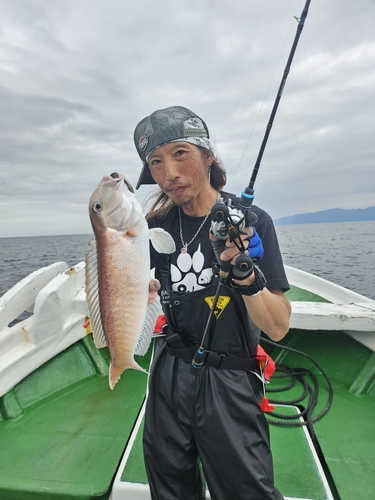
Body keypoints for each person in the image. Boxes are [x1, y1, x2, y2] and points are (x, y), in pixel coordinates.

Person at [133, 105, 291, 500]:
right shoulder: (153, 229)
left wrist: (244, 272)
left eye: (180, 153)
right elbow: (128, 285)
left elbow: (277, 327)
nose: (169, 174)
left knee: (244, 490)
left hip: (229, 377)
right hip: (169, 369)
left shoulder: (251, 221)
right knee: (168, 483)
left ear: (208, 155)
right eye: (155, 162)